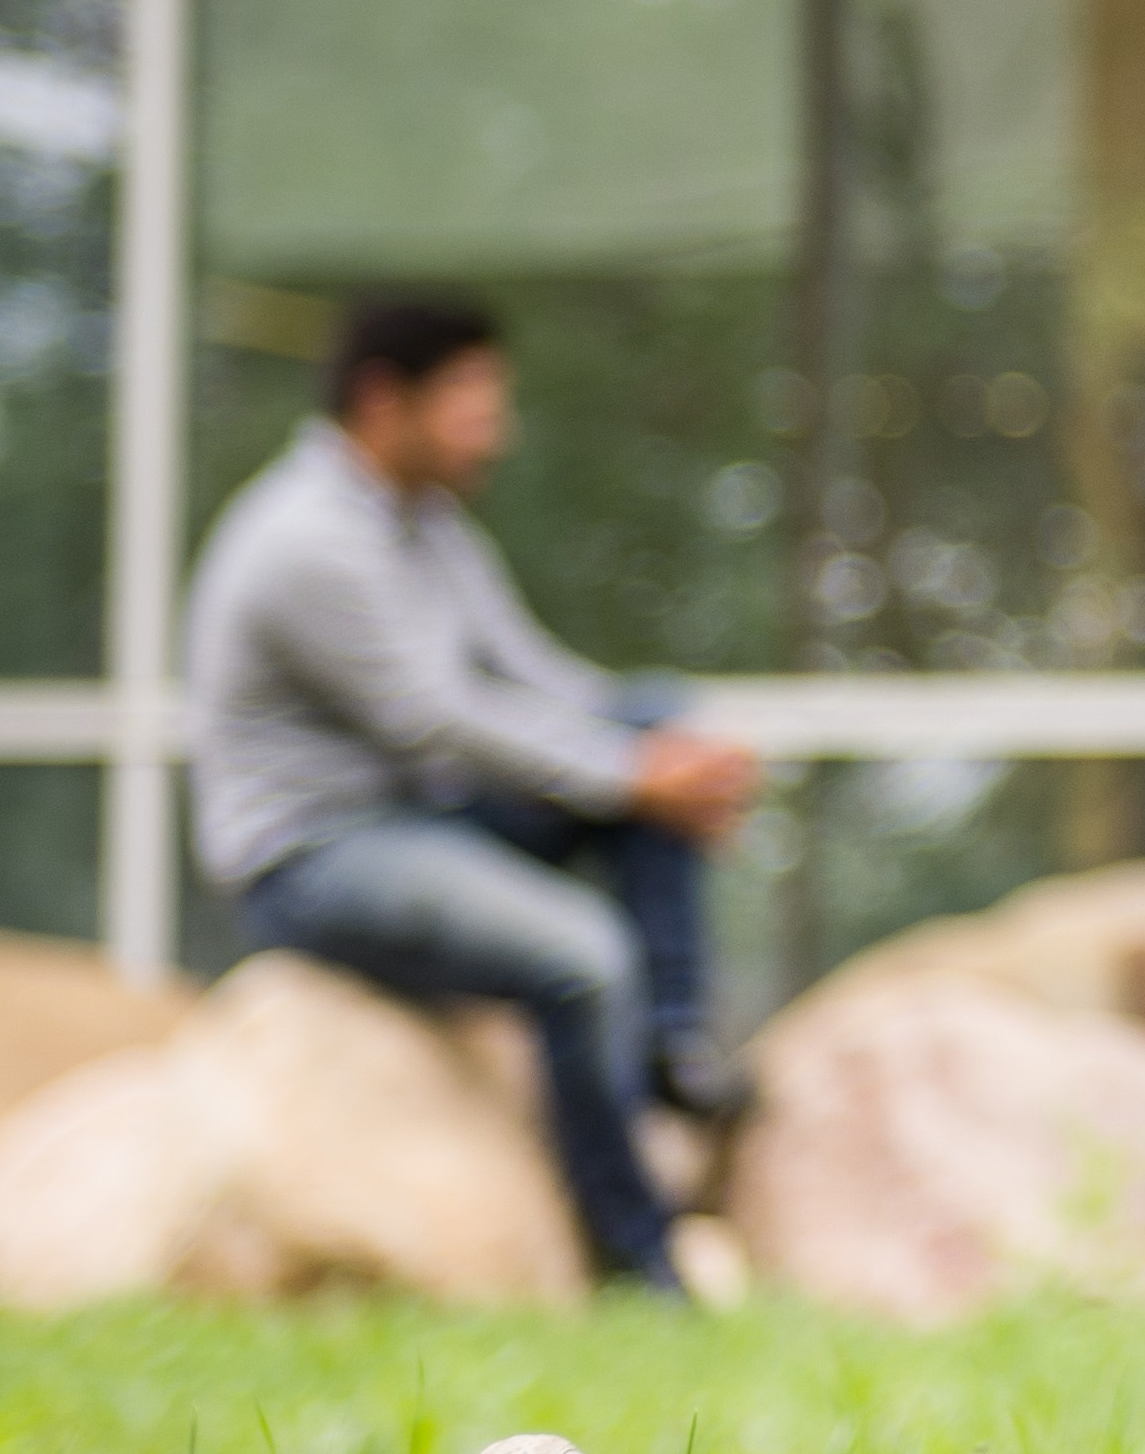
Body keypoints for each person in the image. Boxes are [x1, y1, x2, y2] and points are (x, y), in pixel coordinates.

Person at [182, 296, 769, 1297]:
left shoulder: (428, 523)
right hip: (321, 856)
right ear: (383, 399)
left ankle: (671, 1041)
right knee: (583, 959)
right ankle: (636, 1261)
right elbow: (435, 717)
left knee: (649, 712)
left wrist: (666, 755)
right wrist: (633, 779)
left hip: (426, 815)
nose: (494, 430)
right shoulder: (306, 539)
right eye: (469, 402)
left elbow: (531, 674)